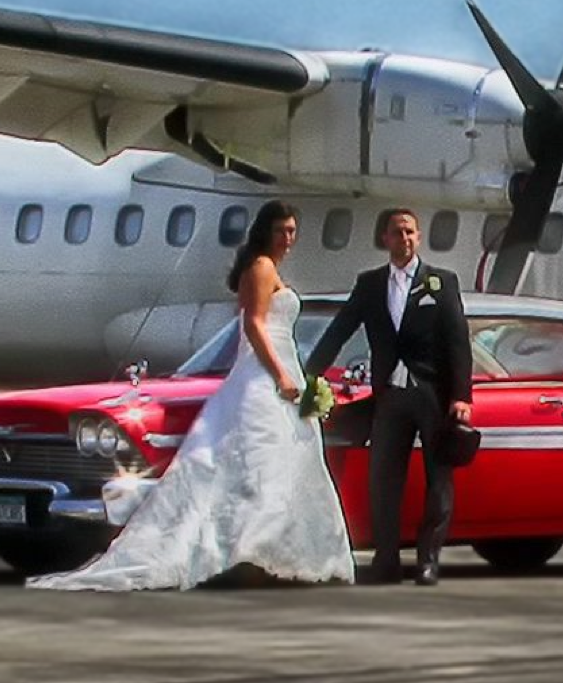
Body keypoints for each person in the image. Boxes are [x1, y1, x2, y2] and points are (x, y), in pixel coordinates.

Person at [31, 200, 355, 591]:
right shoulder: (261, 267)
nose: (287, 238)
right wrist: (281, 375)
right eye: (280, 230)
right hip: (265, 372)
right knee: (259, 463)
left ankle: (265, 552)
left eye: (291, 231)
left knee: (279, 463)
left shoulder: (267, 267)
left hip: (278, 368)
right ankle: (250, 551)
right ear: (265, 231)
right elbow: (254, 325)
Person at [302, 208, 472, 585]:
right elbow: (340, 330)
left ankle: (428, 559)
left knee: (438, 479)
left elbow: (458, 341)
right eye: (398, 232)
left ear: (418, 237)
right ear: (385, 239)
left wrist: (461, 396)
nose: (405, 238)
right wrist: (309, 375)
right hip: (390, 397)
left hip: (432, 395)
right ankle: (387, 559)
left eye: (410, 232)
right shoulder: (370, 284)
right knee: (383, 479)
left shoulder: (441, 282)